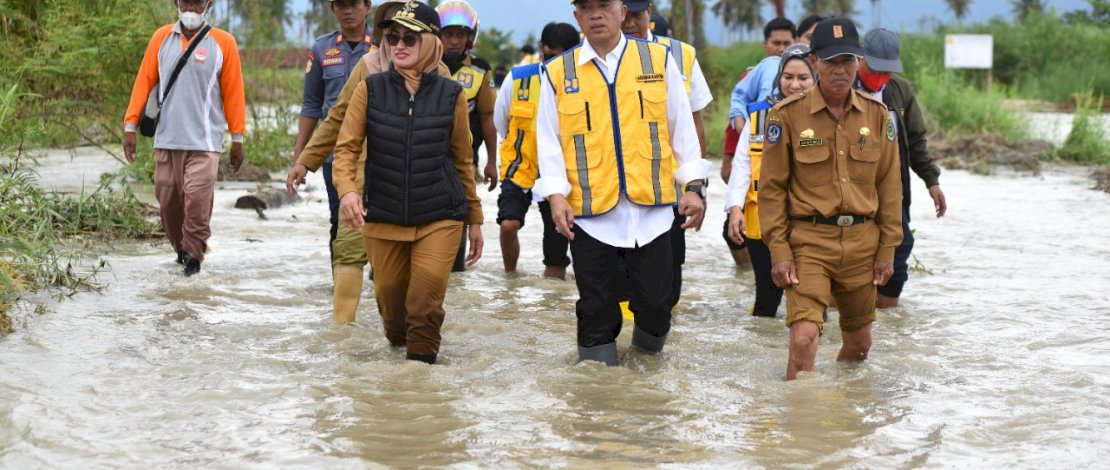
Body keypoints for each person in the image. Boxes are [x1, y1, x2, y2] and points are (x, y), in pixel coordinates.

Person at [536, 0, 708, 365]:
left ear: (621, 11)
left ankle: (647, 379)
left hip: (654, 213)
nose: (596, 14)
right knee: (596, 311)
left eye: (604, 5)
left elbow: (681, 128)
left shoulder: (658, 60)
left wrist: (693, 186)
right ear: (577, 17)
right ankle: (601, 400)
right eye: (587, 7)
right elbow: (548, 141)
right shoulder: (555, 72)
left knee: (657, 305)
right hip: (591, 215)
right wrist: (555, 195)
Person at [332, 1, 484, 365]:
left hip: (440, 216)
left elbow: (463, 161)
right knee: (393, 313)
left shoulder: (452, 95)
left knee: (423, 304)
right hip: (383, 215)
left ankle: (423, 390)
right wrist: (348, 191)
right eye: (393, 36)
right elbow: (345, 150)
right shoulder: (370, 89)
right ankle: (398, 396)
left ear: (430, 44)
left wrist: (474, 219)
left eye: (410, 38)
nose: (398, 45)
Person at [758, 18, 902, 380]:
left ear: (859, 62)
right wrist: (779, 251)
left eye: (848, 61)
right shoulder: (786, 116)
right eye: (832, 61)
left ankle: (841, 417)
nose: (840, 70)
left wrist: (887, 250)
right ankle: (797, 423)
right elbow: (772, 190)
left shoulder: (877, 116)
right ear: (815, 62)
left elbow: (889, 189)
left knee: (860, 345)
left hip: (861, 245)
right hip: (809, 243)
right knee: (804, 338)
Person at [123, 0, 245, 277]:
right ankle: (182, 253)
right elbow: (144, 81)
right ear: (176, 3)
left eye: (197, 1)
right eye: (186, 0)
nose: (191, 6)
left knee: (198, 203)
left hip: (205, 144)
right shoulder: (160, 38)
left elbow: (234, 92)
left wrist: (237, 138)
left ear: (208, 4)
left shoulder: (223, 43)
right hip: (166, 140)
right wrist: (130, 127)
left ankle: (194, 260)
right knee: (169, 206)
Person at [619, 0, 712, 309]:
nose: (630, 23)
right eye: (625, 15)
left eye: (637, 15)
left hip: (668, 188)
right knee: (620, 272)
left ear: (649, 15)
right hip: (616, 189)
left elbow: (693, 124)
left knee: (669, 270)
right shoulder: (595, 53)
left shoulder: (680, 55)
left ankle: (658, 338)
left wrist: (697, 185)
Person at [288, 0, 374, 324]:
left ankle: (383, 282)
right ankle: (343, 287)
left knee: (385, 221)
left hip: (380, 152)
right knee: (340, 221)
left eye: (354, 3)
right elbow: (313, 105)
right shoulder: (322, 49)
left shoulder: (385, 47)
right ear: (332, 9)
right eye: (341, 4)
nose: (347, 10)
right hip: (336, 154)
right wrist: (301, 156)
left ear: (367, 7)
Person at [856, 27, 947, 309]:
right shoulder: (841, 88)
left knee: (900, 246)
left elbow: (916, 140)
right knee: (854, 259)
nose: (880, 76)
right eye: (875, 69)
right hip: (854, 191)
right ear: (860, 59)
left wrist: (932, 181)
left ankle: (886, 320)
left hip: (894, 190)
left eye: (887, 71)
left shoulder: (900, 90)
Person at [725, 44, 815, 318]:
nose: (794, 84)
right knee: (767, 296)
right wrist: (735, 209)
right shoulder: (759, 118)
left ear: (815, 78)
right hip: (760, 220)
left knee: (810, 296)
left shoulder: (825, 117)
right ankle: (762, 349)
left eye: (803, 78)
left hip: (807, 222)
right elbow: (742, 165)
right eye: (788, 77)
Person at [492, 22, 580, 279]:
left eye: (564, 56)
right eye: (551, 55)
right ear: (542, 49)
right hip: (519, 167)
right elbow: (501, 122)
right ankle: (510, 279)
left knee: (556, 255)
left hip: (558, 176)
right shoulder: (518, 78)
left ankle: (552, 306)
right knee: (508, 224)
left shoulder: (581, 82)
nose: (556, 63)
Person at [719, 17, 796, 266]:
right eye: (776, 42)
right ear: (766, 44)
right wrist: (741, 128)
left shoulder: (809, 71)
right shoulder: (763, 69)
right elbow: (739, 99)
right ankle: (749, 272)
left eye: (787, 43)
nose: (782, 48)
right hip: (757, 160)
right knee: (744, 235)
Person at [436, 0, 498, 272]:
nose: (453, 41)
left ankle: (455, 271)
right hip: (426, 158)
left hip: (464, 160)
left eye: (459, 35)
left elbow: (488, 117)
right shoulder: (421, 64)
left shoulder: (480, 70)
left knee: (458, 219)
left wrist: (492, 161)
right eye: (448, 34)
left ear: (469, 38)